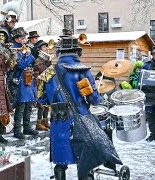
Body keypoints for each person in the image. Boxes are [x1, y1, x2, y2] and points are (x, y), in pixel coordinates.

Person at [37, 30, 108, 180]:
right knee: (85, 160)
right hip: (80, 118)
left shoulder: (48, 73)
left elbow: (42, 101)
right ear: (77, 51)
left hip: (58, 120)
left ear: (59, 52)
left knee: (60, 161)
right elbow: (94, 100)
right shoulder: (82, 70)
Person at [11, 27, 39, 139]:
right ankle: (17, 130)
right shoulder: (14, 50)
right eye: (22, 38)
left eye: (24, 38)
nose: (24, 40)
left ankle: (27, 127)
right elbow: (21, 65)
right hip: (20, 80)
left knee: (29, 104)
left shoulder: (25, 48)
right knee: (21, 104)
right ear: (17, 39)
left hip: (29, 78)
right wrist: (31, 56)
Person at [33, 40, 52, 131]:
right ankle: (38, 123)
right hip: (40, 83)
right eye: (44, 47)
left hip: (46, 82)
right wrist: (46, 63)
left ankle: (45, 121)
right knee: (41, 104)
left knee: (47, 103)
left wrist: (49, 62)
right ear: (40, 49)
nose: (46, 49)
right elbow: (39, 69)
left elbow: (50, 70)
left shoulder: (45, 59)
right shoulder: (38, 59)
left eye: (45, 47)